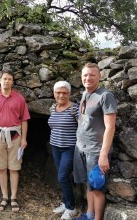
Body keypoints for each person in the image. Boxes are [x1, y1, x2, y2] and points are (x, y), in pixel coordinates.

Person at [73, 63, 117, 220]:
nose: (88, 78)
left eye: (92, 75)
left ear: (99, 76)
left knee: (97, 188)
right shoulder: (85, 94)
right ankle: (89, 215)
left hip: (96, 151)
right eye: (85, 75)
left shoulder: (105, 96)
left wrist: (103, 155)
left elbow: (110, 127)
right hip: (81, 148)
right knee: (87, 184)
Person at [0, 69, 30, 212]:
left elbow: (24, 120)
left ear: (12, 81)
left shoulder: (19, 98)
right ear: (0, 80)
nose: (7, 81)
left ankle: (14, 198)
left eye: (9, 79)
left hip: (15, 138)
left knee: (14, 168)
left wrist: (24, 138)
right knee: (1, 168)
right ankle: (4, 197)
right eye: (4, 78)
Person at [48, 81, 79, 219]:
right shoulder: (53, 108)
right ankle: (65, 202)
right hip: (55, 147)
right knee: (63, 177)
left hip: (69, 148)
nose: (61, 95)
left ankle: (71, 207)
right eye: (58, 92)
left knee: (62, 177)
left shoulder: (75, 109)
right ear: (54, 94)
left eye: (64, 93)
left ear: (69, 94)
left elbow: (84, 128)